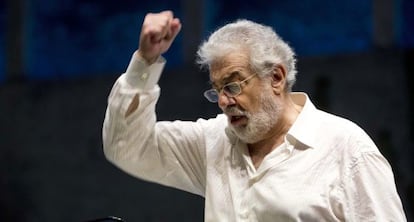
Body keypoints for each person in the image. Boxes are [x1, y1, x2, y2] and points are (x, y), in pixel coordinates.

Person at [102, 10, 407, 221]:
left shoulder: (346, 149)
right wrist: (145, 61)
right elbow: (127, 146)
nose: (223, 101)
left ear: (276, 77)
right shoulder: (214, 143)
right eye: (216, 89)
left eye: (233, 85)